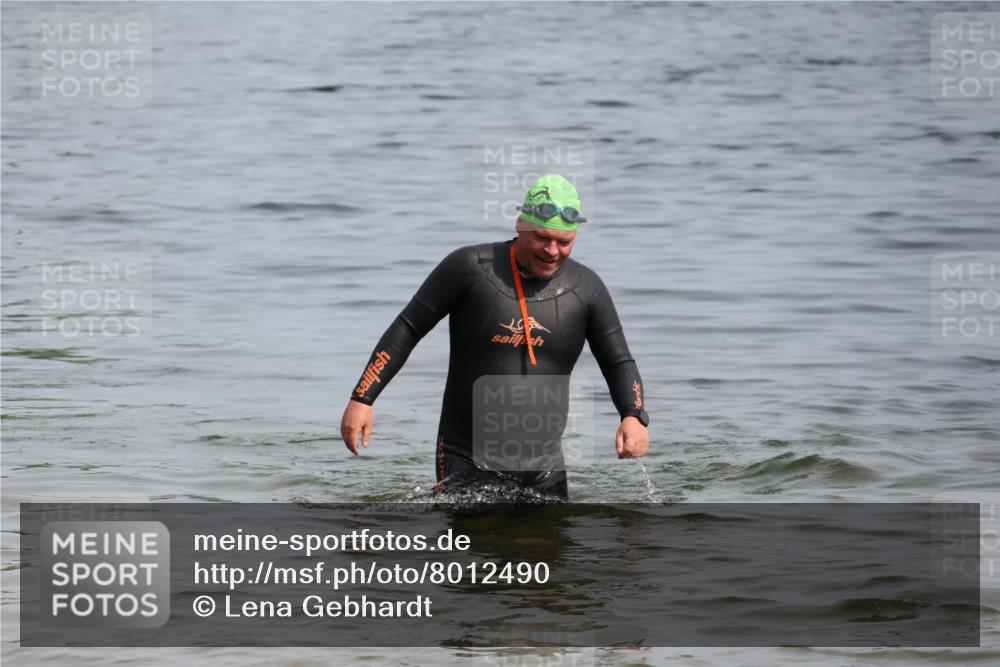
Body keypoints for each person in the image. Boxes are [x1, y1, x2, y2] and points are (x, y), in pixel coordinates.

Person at [340, 175, 649, 499]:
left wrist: (634, 415)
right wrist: (363, 398)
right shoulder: (471, 268)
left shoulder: (586, 288)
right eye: (542, 238)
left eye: (564, 242)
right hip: (466, 457)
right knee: (470, 548)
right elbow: (408, 327)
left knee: (550, 551)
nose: (552, 251)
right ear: (520, 224)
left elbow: (618, 360)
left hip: (545, 467)